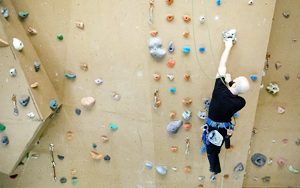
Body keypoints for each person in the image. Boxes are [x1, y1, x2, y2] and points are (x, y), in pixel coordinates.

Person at [203, 29, 250, 182]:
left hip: (215, 127)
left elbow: (222, 64)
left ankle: (214, 169)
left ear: (234, 83)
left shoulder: (219, 88)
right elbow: (234, 94)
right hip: (222, 130)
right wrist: (230, 82)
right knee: (215, 149)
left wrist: (227, 45)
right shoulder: (240, 102)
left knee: (212, 151)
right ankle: (215, 166)